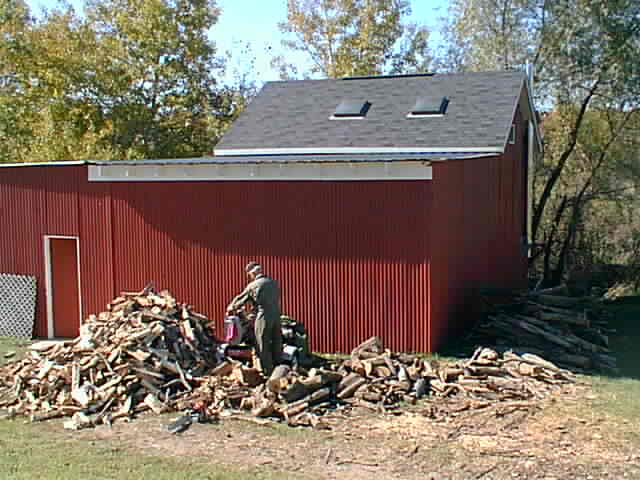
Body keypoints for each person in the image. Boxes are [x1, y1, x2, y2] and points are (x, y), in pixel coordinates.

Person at [226, 262, 283, 376]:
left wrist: (230, 308)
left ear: (253, 273)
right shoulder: (273, 282)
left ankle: (267, 372)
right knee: (277, 342)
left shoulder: (254, 285)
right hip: (277, 316)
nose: (250, 277)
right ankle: (279, 369)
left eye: (249, 274)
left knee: (262, 343)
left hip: (263, 317)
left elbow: (240, 299)